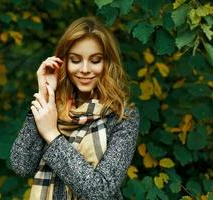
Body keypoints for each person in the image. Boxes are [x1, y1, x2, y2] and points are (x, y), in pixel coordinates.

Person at [10, 16, 140, 200]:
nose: (85, 69)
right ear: (63, 62)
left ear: (107, 63)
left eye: (95, 60)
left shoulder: (122, 116)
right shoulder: (52, 108)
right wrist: (45, 96)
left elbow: (100, 190)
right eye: (75, 60)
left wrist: (53, 136)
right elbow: (21, 165)